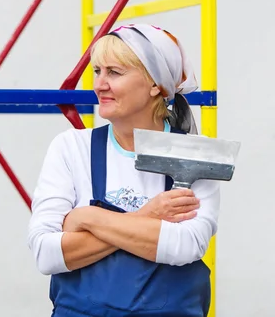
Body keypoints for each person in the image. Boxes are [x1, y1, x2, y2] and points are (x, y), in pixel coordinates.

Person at [27, 23, 221, 317]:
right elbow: (46, 254)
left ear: (155, 84)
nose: (100, 84)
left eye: (114, 73)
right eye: (97, 71)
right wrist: (147, 217)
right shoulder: (71, 147)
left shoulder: (196, 153)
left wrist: (86, 218)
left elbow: (185, 246)